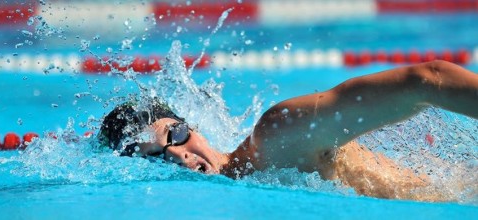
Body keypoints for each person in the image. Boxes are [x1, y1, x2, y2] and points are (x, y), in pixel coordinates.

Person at [98, 60, 478, 201]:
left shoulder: (277, 137)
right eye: (158, 157)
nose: (178, 156)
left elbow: (427, 79)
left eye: (176, 135)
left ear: (192, 126)